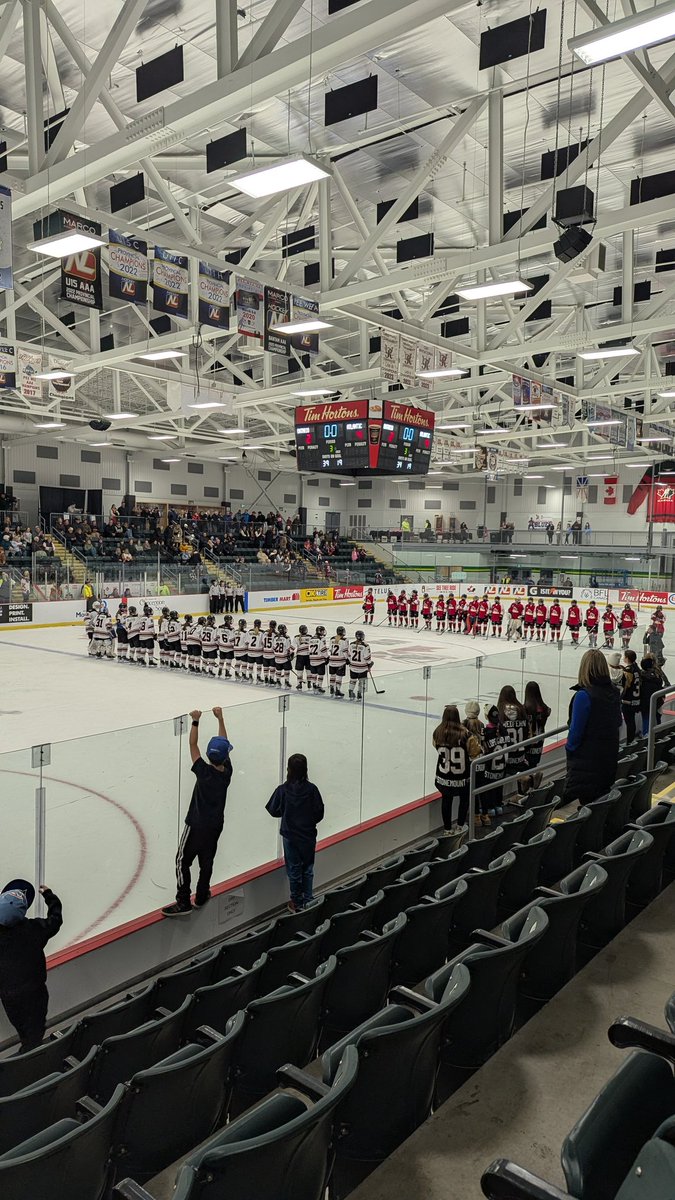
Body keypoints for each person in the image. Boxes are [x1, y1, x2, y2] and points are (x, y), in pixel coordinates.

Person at [163, 707, 233, 916]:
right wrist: (220, 718)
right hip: (214, 826)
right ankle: (202, 895)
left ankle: (183, 900)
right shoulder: (226, 773)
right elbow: (224, 742)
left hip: (195, 824)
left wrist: (195, 721)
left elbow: (192, 744)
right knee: (207, 860)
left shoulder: (202, 772)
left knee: (182, 860)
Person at [0, 879, 63, 1051]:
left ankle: (30, 1056)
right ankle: (32, 1055)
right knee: (34, 1033)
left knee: (24, 1031)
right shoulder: (34, 928)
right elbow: (55, 919)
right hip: (36, 993)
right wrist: (50, 896)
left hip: (10, 997)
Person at [266, 754, 324, 912]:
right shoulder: (312, 790)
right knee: (308, 868)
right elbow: (319, 813)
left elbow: (272, 809)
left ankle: (297, 902)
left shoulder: (283, 790)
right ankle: (308, 899)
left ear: (288, 770)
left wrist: (285, 813)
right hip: (307, 836)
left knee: (294, 869)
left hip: (290, 836)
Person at [564, 649, 622, 805]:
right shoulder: (613, 692)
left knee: (589, 805)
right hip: (608, 759)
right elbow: (618, 722)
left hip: (587, 764)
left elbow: (575, 734)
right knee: (599, 804)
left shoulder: (584, 696)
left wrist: (570, 749)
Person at [432, 704, 481, 833]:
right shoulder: (466, 734)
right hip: (462, 777)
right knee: (464, 800)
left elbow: (435, 746)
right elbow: (475, 752)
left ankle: (447, 829)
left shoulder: (437, 732)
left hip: (444, 777)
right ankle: (460, 826)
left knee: (446, 800)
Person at [497, 685, 529, 783]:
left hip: (506, 759)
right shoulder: (522, 710)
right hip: (521, 756)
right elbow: (527, 732)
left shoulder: (500, 712)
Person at [524, 680, 551, 777]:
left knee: (527, 768)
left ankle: (531, 782)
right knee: (533, 764)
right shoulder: (544, 709)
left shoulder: (526, 709)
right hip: (539, 742)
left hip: (529, 743)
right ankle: (533, 779)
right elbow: (548, 712)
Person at [620, 649, 642, 743]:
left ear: (627, 658)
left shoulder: (628, 671)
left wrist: (620, 697)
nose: (623, 658)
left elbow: (626, 686)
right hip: (636, 699)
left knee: (629, 722)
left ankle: (629, 742)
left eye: (624, 656)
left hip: (628, 701)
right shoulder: (637, 668)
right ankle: (631, 740)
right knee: (631, 722)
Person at [640, 656, 665, 733]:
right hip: (657, 701)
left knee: (646, 718)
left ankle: (646, 734)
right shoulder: (657, 675)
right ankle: (658, 733)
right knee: (656, 717)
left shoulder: (642, 677)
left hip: (645, 702)